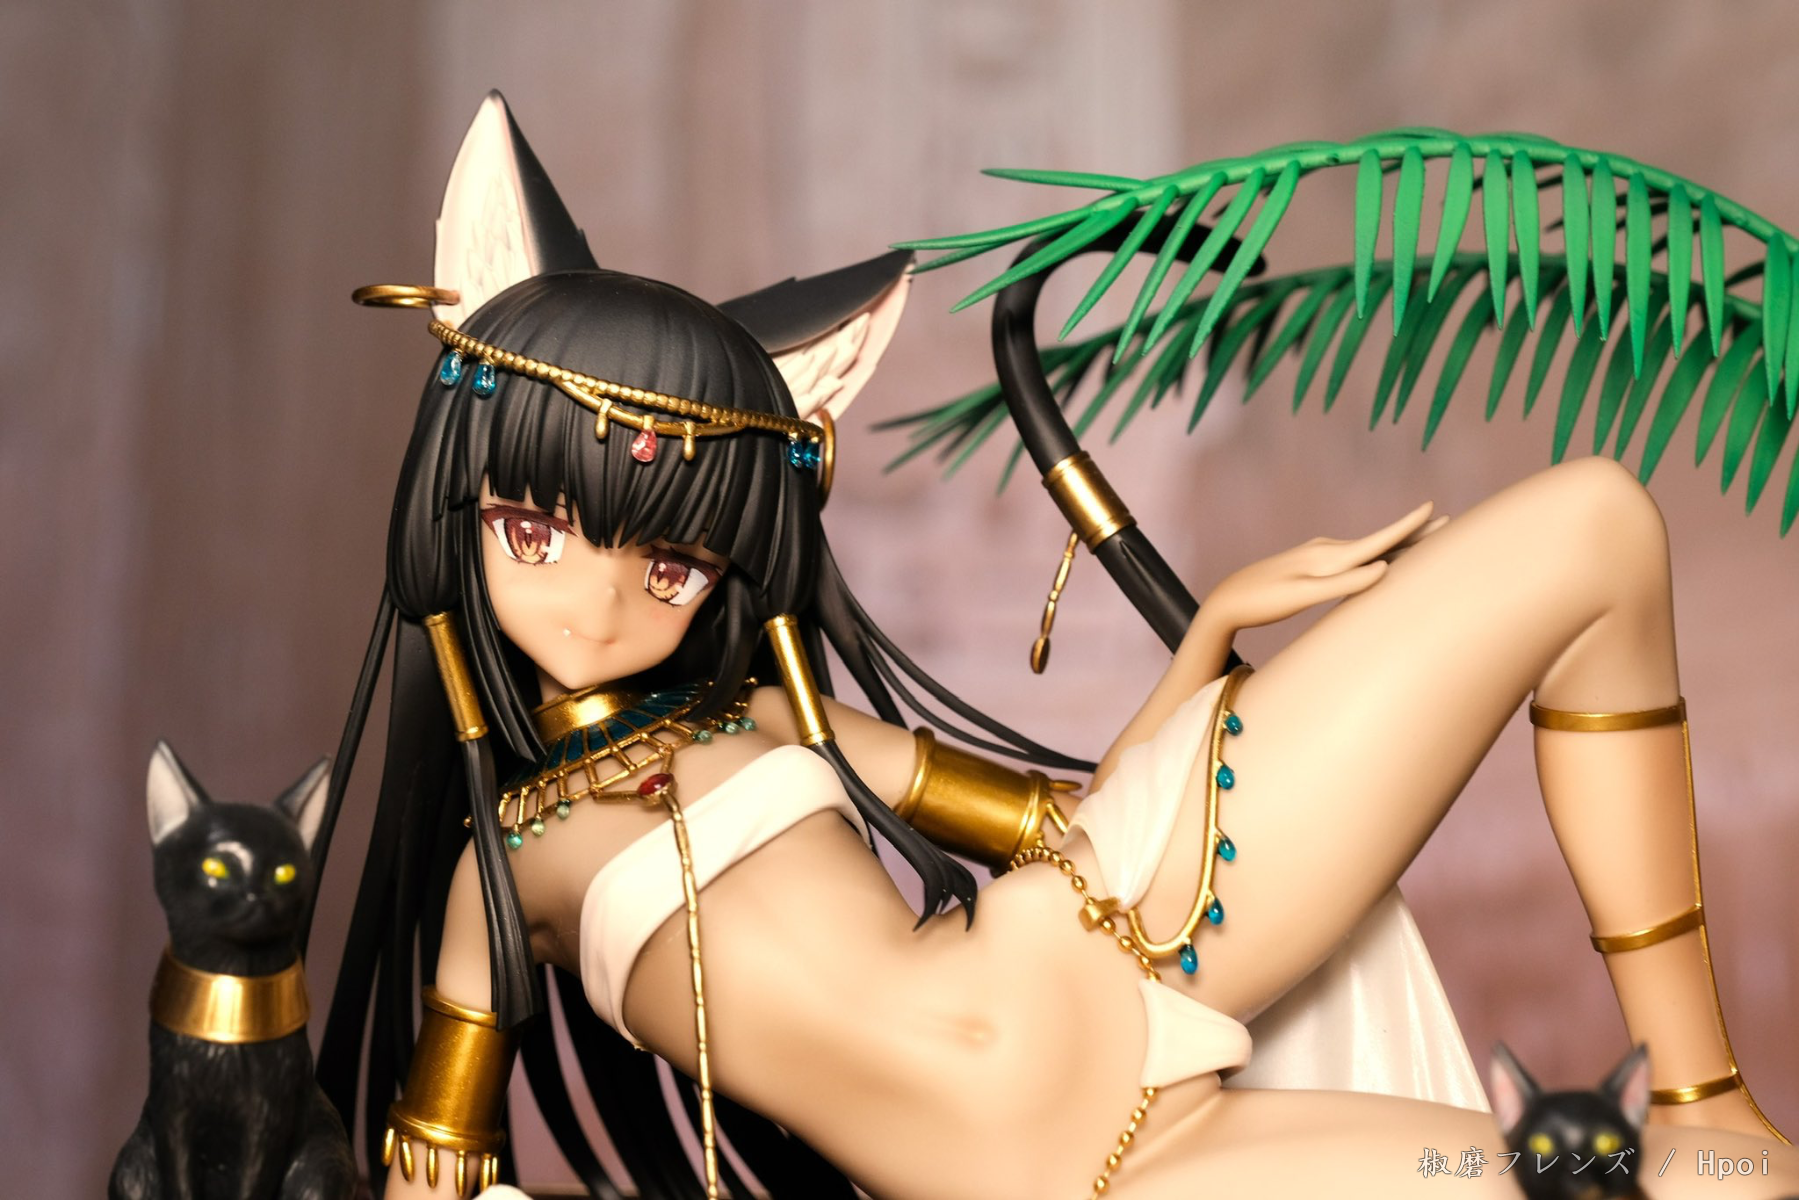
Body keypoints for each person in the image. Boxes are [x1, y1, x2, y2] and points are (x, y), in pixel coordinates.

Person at [315, 95, 1795, 1200]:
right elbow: (433, 1169)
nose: (600, 604)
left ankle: (1703, 1094)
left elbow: (1053, 826)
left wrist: (1205, 639)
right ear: (461, 503)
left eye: (671, 562)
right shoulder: (498, 877)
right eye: (534, 531)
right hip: (1117, 1173)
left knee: (1593, 530)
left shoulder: (763, 717)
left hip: (1121, 938)